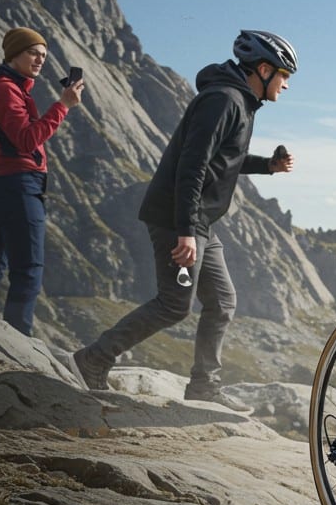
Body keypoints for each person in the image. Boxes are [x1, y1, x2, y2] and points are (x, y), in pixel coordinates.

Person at [73, 31, 295, 406]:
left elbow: (224, 158)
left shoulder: (240, 102)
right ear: (263, 69)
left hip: (199, 220)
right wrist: (186, 230)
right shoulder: (223, 100)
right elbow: (192, 166)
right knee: (174, 304)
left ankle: (204, 386)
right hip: (177, 218)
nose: (286, 84)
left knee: (222, 301)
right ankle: (94, 358)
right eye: (284, 75)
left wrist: (268, 166)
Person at [0, 28, 83, 336]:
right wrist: (63, 106)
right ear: (13, 54)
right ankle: (19, 345)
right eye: (33, 53)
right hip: (17, 186)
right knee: (28, 270)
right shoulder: (6, 90)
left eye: (43, 55)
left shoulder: (8, 89)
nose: (40, 60)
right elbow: (25, 140)